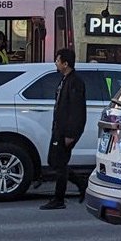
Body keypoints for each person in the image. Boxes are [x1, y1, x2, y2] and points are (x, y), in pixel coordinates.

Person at [40, 48, 87, 210]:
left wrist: (70, 134)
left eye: (58, 60)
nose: (56, 63)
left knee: (59, 163)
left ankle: (59, 199)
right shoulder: (64, 80)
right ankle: (81, 183)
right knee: (54, 161)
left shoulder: (75, 82)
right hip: (58, 128)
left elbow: (76, 110)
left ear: (65, 64)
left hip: (66, 131)